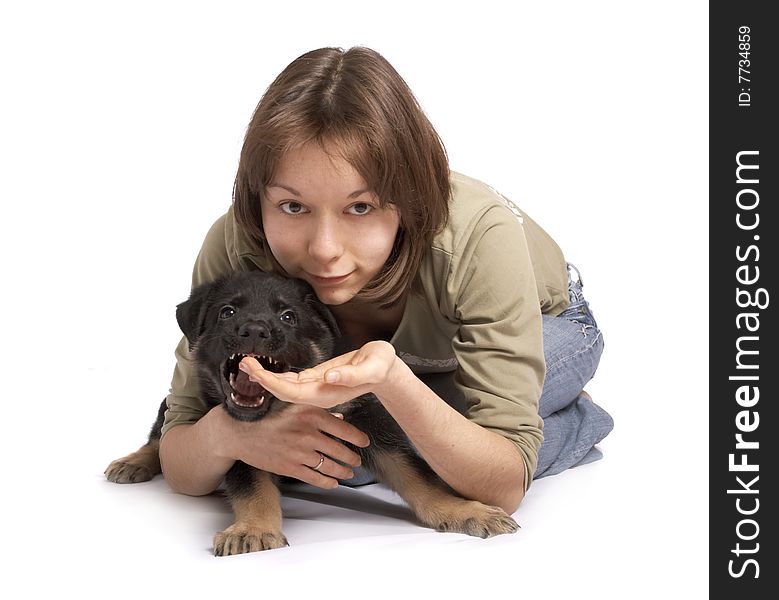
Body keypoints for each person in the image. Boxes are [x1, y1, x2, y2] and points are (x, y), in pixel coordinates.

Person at [158, 46, 613, 515]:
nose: (324, 249)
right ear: (258, 198)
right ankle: (525, 408)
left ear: (408, 200)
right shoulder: (236, 245)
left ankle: (574, 419)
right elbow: (183, 451)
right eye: (293, 206)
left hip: (549, 322)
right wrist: (232, 433)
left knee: (395, 436)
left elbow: (500, 490)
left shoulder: (478, 237)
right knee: (336, 454)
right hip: (393, 364)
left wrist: (396, 387)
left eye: (361, 207)